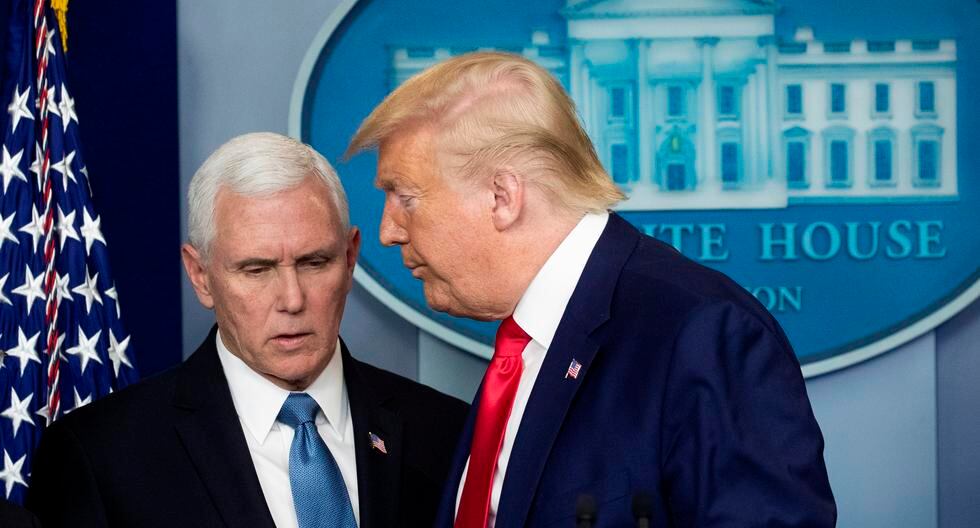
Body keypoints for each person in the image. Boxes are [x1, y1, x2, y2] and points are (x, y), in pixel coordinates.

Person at [346, 52, 836, 527]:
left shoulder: (704, 335)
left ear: (502, 197)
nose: (388, 231)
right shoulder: (525, 347)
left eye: (405, 198)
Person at [26, 132, 468, 528]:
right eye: (256, 270)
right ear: (201, 276)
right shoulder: (102, 456)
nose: (292, 300)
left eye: (315, 262)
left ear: (350, 259)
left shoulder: (449, 433)